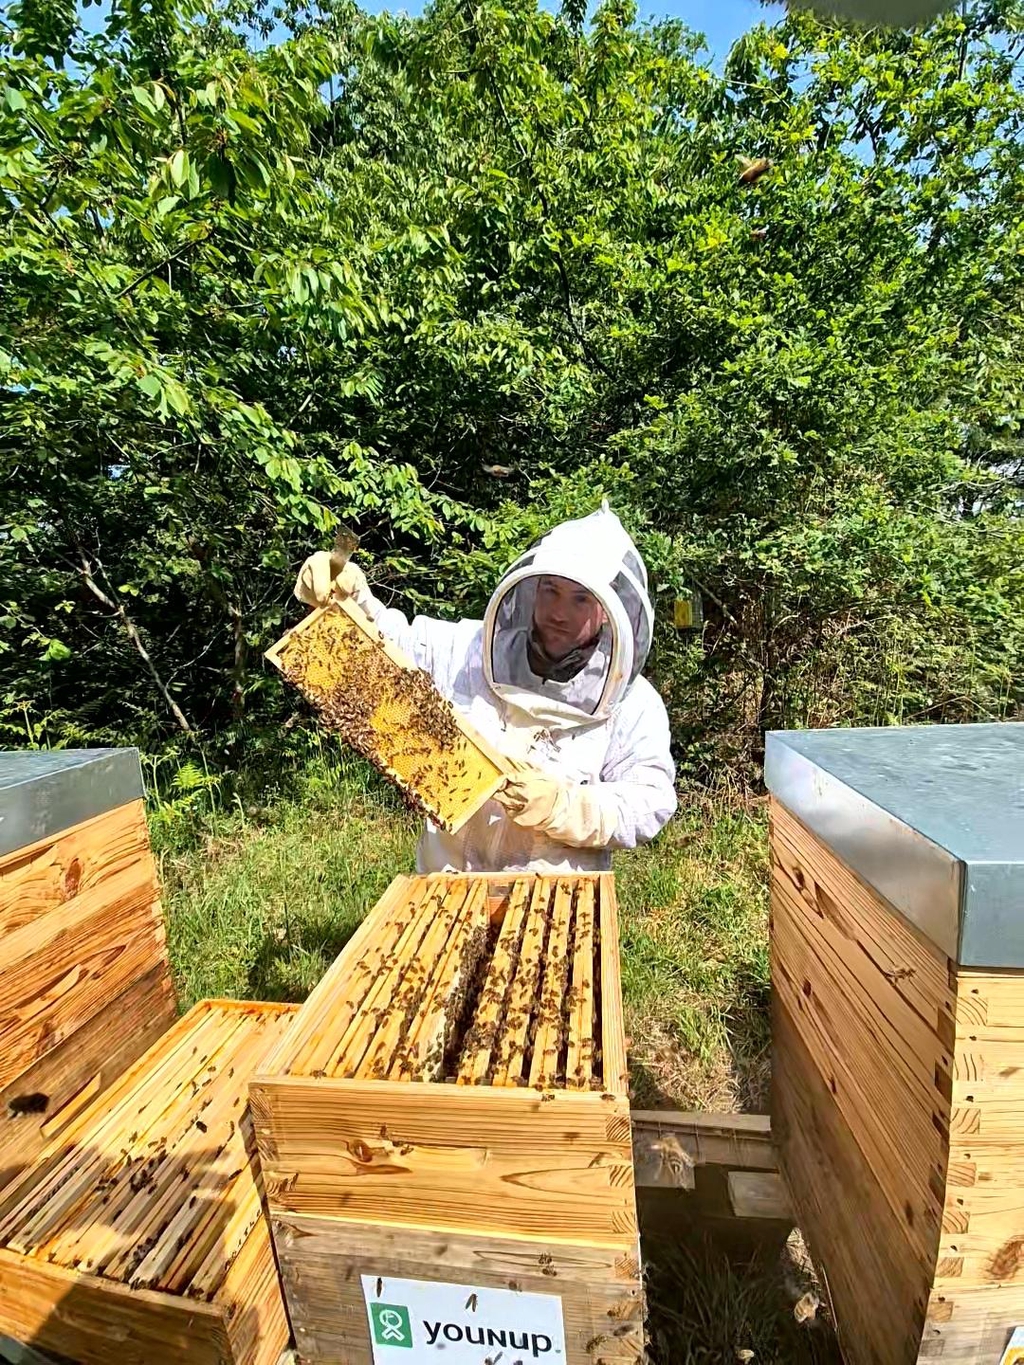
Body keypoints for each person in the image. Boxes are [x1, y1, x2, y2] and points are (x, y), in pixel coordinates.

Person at [294, 503, 677, 873]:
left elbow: (649, 802)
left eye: (580, 600)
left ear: (610, 610)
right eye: (550, 592)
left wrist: (565, 805)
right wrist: (352, 598)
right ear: (530, 591)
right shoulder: (472, 650)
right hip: (445, 884)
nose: (560, 613)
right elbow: (392, 647)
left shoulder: (633, 701)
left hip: (551, 901)